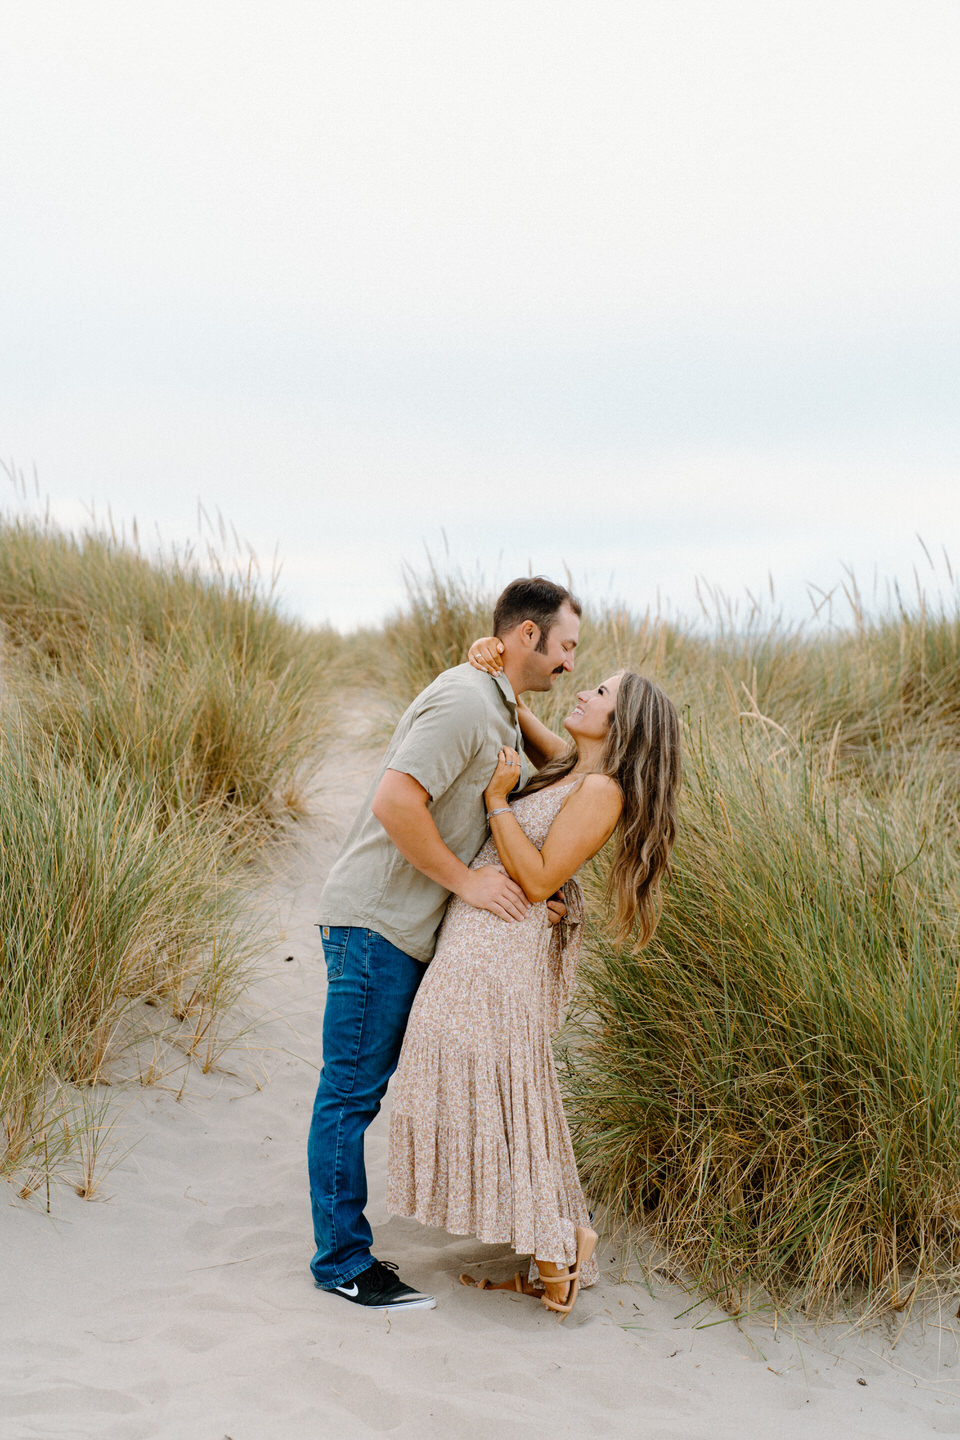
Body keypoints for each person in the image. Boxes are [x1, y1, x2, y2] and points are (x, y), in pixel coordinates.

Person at [308, 578, 583, 1313]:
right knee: (351, 1093)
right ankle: (340, 1262)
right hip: (377, 921)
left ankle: (345, 1250)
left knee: (359, 1090)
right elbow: (395, 802)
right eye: (564, 648)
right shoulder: (466, 699)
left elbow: (561, 778)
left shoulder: (496, 706)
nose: (570, 666)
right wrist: (466, 882)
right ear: (528, 636)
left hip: (406, 928)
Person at [386, 643, 681, 1320]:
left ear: (625, 723)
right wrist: (490, 659)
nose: (585, 693)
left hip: (498, 943)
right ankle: (558, 1244)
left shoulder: (602, 791)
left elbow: (541, 878)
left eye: (601, 693)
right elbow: (515, 710)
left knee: (481, 1079)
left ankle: (557, 1256)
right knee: (490, 1086)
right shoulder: (571, 766)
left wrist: (495, 802)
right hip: (482, 930)